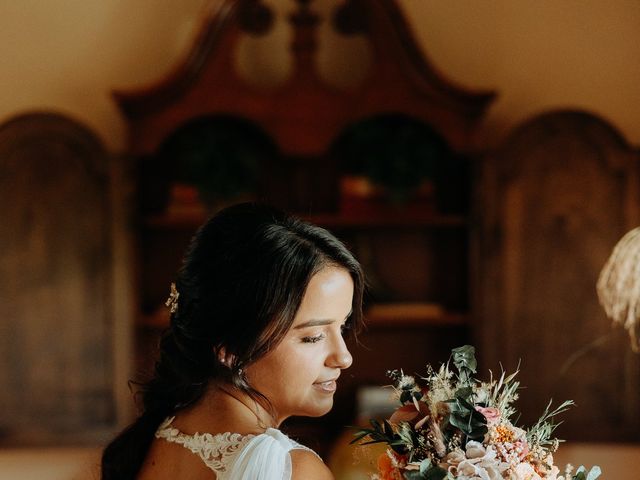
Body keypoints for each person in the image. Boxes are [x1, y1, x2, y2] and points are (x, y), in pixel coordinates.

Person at [101, 202, 365, 479]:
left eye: (343, 324)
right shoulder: (294, 470)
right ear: (231, 347)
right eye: (313, 337)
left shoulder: (164, 434)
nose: (343, 357)